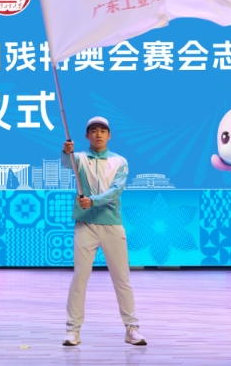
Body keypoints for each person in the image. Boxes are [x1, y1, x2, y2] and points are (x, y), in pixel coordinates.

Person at [61, 116, 147, 347]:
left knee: (122, 278)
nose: (98, 134)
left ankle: (132, 328)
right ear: (87, 136)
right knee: (80, 277)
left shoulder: (120, 161)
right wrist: (65, 150)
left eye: (102, 131)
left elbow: (116, 190)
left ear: (109, 135)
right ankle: (72, 330)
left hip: (112, 225)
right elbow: (67, 162)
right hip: (86, 225)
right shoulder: (79, 158)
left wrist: (93, 201)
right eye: (93, 131)